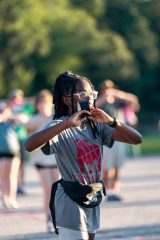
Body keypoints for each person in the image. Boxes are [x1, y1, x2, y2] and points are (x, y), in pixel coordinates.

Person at [24, 71, 142, 240]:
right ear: (67, 99)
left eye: (91, 94)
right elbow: (29, 145)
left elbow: (137, 139)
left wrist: (112, 121)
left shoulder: (97, 126)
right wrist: (66, 124)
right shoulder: (60, 125)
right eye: (82, 94)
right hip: (70, 198)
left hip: (92, 196)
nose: (90, 98)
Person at [96, 79, 140, 201]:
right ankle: (106, 191)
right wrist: (104, 98)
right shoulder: (101, 103)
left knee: (117, 165)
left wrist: (118, 94)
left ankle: (115, 190)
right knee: (107, 165)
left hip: (119, 137)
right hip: (105, 137)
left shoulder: (118, 102)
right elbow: (93, 108)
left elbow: (134, 101)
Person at [24, 90, 60, 232]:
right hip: (40, 160)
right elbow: (24, 123)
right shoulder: (34, 119)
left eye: (46, 101)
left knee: (57, 191)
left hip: (56, 158)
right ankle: (49, 220)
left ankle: (57, 219)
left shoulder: (56, 118)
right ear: (37, 104)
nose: (43, 105)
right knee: (48, 190)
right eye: (40, 102)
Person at [7, 89, 34, 195]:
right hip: (10, 141)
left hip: (22, 138)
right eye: (13, 98)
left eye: (17, 98)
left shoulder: (25, 108)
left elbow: (26, 117)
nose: (15, 100)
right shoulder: (8, 108)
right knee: (12, 164)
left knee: (22, 163)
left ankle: (21, 184)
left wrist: (14, 117)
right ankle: (11, 184)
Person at [0, 102, 21, 208]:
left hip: (13, 153)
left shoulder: (12, 121)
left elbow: (23, 119)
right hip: (1, 153)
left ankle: (12, 198)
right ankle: (5, 198)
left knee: (12, 176)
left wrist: (8, 116)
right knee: (3, 176)